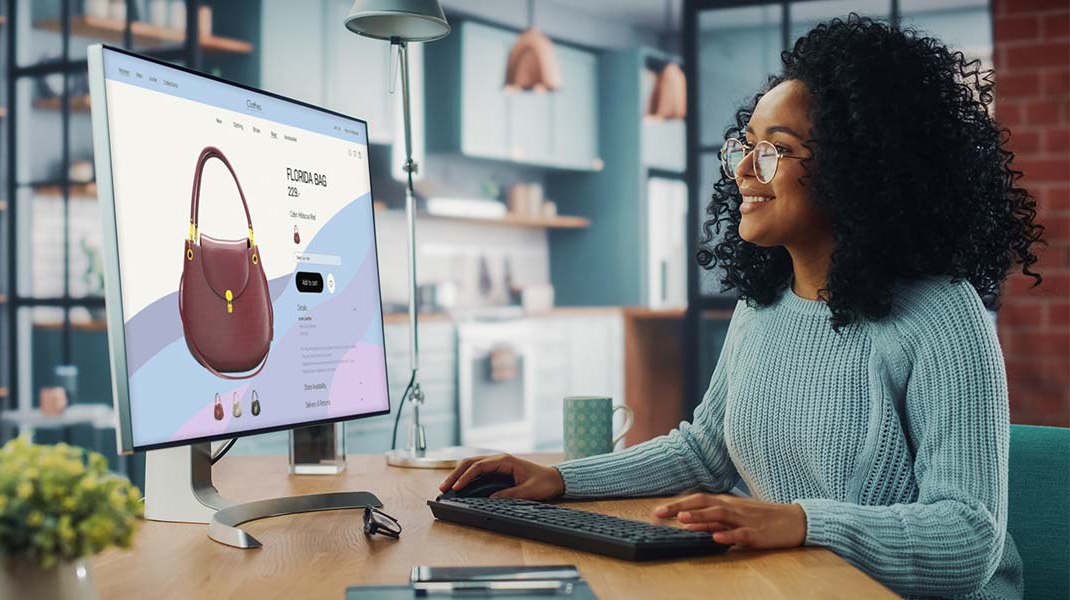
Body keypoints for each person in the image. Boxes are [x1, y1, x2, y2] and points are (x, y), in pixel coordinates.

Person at [440, 15, 1043, 600]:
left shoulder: (940, 316)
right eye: (746, 146)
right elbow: (705, 451)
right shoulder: (764, 306)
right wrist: (561, 479)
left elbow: (969, 538)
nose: (745, 172)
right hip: (795, 585)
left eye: (776, 150)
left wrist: (802, 522)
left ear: (860, 170)